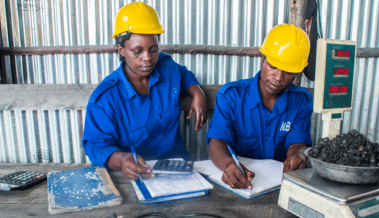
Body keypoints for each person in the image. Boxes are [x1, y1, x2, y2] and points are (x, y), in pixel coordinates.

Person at [82, 2, 208, 181]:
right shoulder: (105, 100)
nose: (148, 58)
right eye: (137, 51)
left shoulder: (166, 66)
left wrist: (197, 92)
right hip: (140, 177)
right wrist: (122, 159)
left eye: (153, 49)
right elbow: (96, 145)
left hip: (181, 170)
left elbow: (183, 74)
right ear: (121, 50)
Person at [206, 24, 312, 190]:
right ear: (262, 59)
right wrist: (228, 165)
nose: (278, 77)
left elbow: (298, 141)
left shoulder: (301, 101)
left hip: (280, 185)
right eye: (273, 66)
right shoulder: (231, 96)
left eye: (288, 71)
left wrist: (297, 155)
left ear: (298, 72)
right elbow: (217, 140)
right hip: (242, 184)